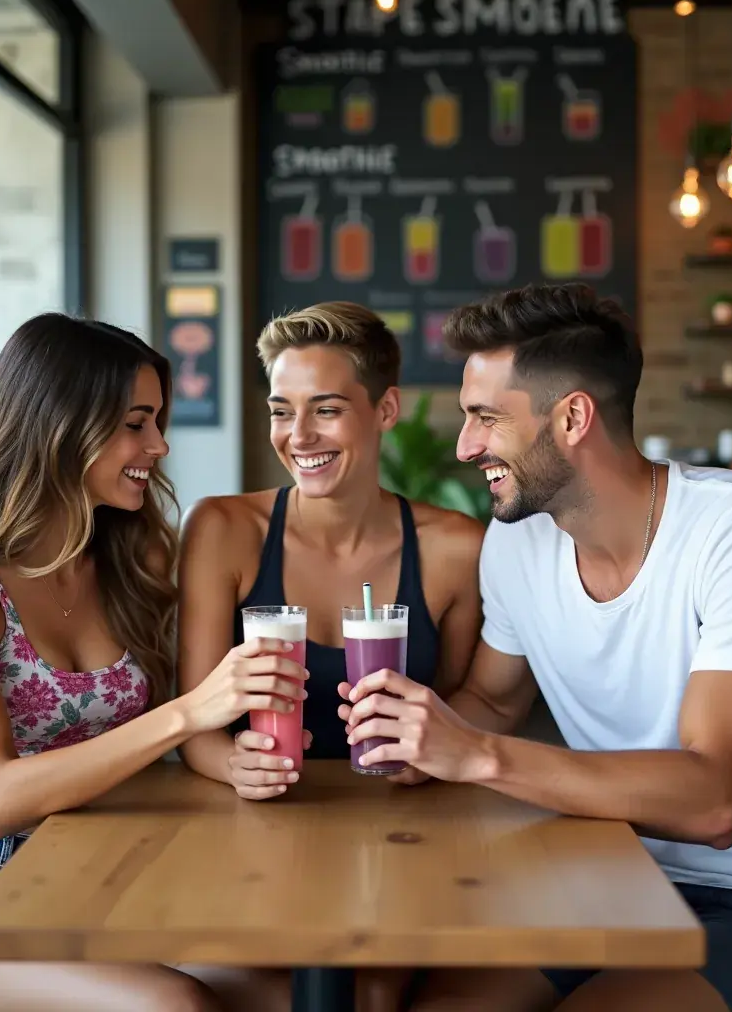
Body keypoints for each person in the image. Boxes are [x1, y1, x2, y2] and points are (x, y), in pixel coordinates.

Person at [339, 283, 732, 1012]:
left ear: (572, 416)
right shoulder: (517, 545)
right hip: (598, 872)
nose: (464, 446)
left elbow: (718, 801)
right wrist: (415, 737)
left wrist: (478, 756)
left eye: (485, 418)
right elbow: (491, 699)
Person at [0, 314, 306, 1012]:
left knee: (287, 990)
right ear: (60, 424)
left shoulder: (133, 558)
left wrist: (237, 752)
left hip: (107, 875)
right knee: (174, 1006)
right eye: (137, 422)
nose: (158, 446)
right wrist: (188, 712)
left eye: (158, 421)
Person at [176, 301, 484, 1009]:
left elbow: (470, 709)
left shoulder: (455, 549)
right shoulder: (225, 528)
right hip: (255, 835)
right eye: (282, 411)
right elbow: (194, 719)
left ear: (386, 409)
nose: (299, 435)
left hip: (402, 841)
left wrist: (429, 751)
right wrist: (234, 764)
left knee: (372, 997)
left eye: (327, 409)